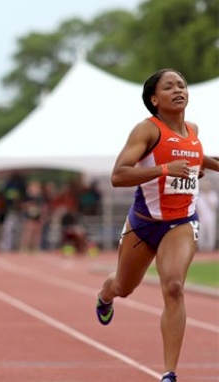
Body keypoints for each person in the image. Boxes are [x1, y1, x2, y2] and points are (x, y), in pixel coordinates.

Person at [95, 68, 219, 382]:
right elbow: (119, 175)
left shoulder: (193, 130)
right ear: (155, 99)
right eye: (169, 86)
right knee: (124, 287)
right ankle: (105, 295)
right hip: (143, 224)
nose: (178, 90)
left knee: (174, 287)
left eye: (182, 85)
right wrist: (165, 170)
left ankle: (169, 373)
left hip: (180, 224)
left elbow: (196, 157)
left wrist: (198, 166)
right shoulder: (146, 131)